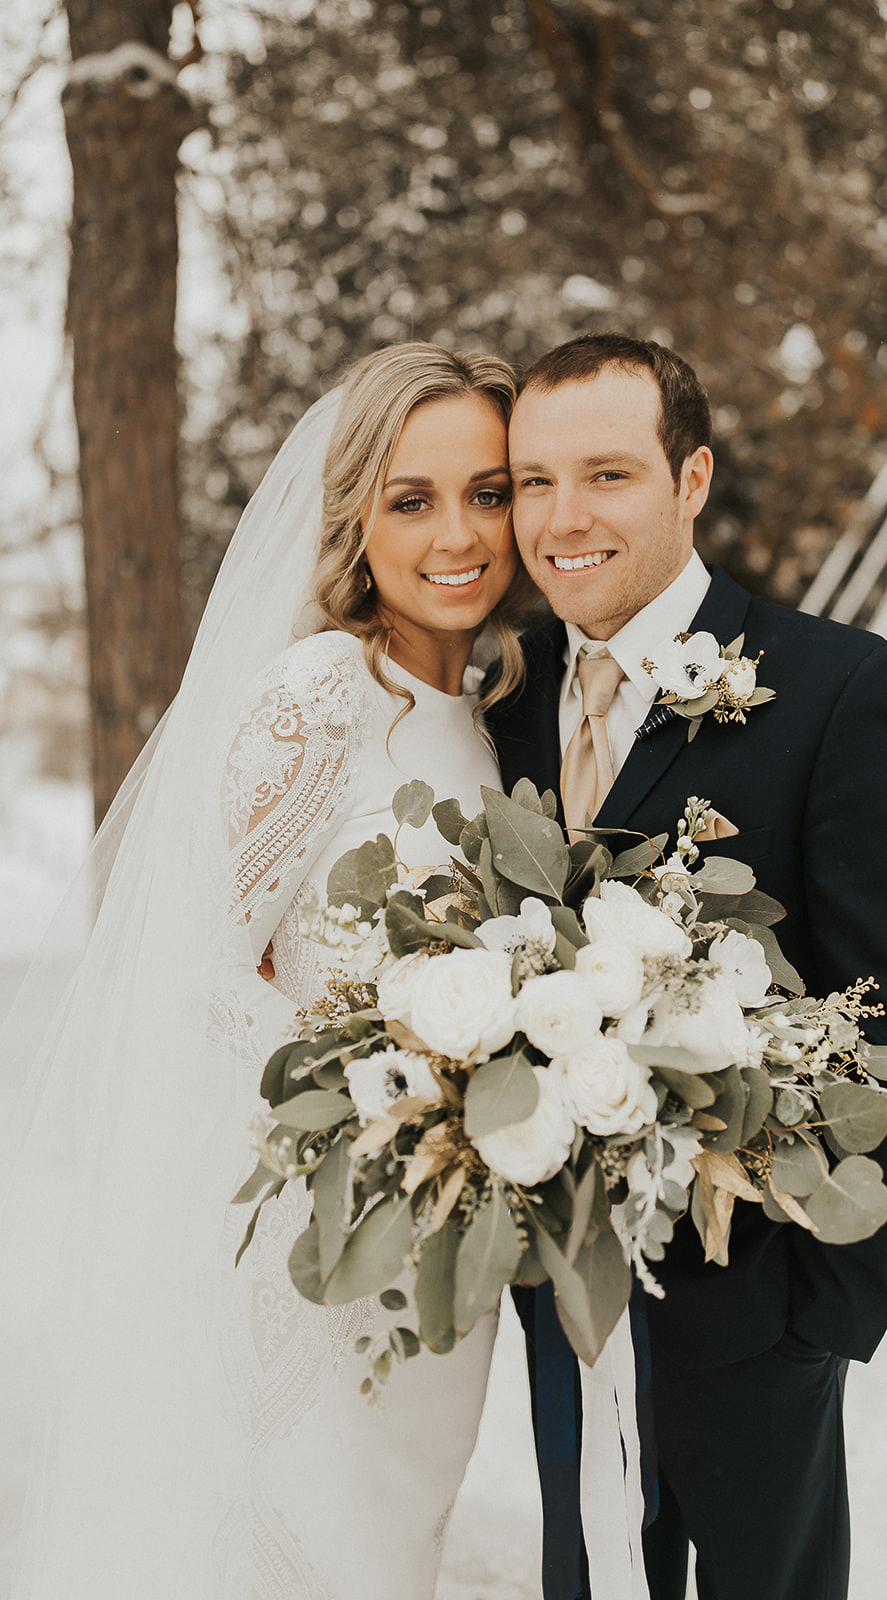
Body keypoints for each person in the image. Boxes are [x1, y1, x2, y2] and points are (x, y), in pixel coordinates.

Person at [0, 342, 534, 1598]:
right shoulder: (319, 692)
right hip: (317, 1234)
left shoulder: (492, 713)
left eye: (487, 493)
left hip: (443, 1242)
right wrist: (387, 1106)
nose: (457, 534)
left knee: (393, 1539)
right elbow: (199, 962)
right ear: (356, 517)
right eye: (411, 499)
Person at [486, 332, 887, 1600]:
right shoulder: (504, 698)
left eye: (606, 474)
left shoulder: (836, 689)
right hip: (561, 1303)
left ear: (690, 478)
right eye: (534, 481)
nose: (561, 518)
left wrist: (823, 1305)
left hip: (756, 1316)